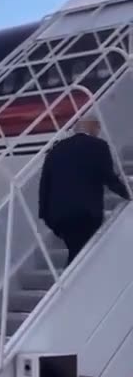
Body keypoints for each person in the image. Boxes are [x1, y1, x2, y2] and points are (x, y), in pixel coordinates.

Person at [39, 114, 130, 266]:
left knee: (77, 252)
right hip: (85, 213)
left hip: (59, 215)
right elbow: (108, 177)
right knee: (81, 257)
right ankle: (68, 281)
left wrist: (45, 215)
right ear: (94, 127)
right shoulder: (98, 146)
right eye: (98, 128)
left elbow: (45, 185)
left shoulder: (56, 149)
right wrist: (128, 193)